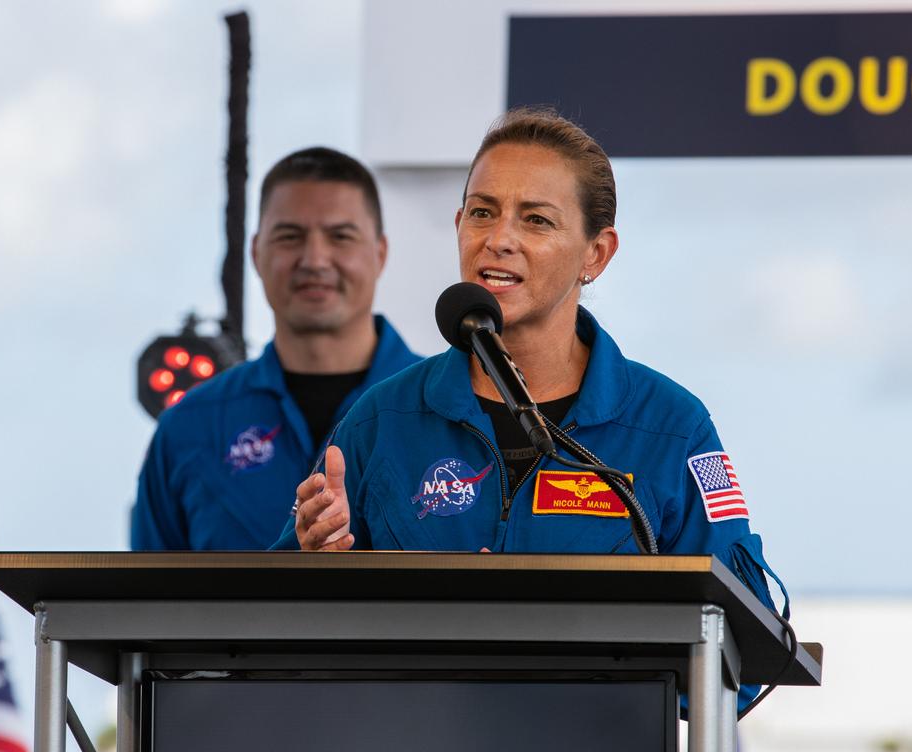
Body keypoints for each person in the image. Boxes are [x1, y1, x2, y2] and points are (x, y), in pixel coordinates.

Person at [273, 109, 786, 707]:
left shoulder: (672, 428)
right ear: (459, 224)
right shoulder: (381, 418)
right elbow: (275, 638)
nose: (499, 239)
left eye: (536, 220)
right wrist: (318, 567)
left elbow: (743, 655)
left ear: (596, 254)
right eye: (482, 212)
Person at [131, 147, 421, 550]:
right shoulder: (186, 430)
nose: (315, 259)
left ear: (380, 253)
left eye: (340, 236)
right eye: (290, 237)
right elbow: (142, 606)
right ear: (256, 253)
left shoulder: (447, 410)